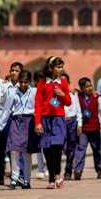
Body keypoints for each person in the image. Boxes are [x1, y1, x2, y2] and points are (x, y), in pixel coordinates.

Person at [0, 70, 36, 189]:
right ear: (18, 81)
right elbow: (7, 110)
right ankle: (14, 178)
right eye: (21, 82)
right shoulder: (13, 93)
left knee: (26, 152)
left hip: (29, 122)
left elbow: (39, 107)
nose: (23, 84)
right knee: (13, 150)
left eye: (26, 82)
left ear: (30, 82)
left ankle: (26, 180)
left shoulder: (34, 92)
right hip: (16, 121)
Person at [35, 56, 71, 189]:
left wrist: (62, 94)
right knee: (47, 149)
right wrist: (37, 122)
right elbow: (38, 103)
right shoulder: (42, 82)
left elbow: (68, 102)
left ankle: (57, 173)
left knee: (57, 147)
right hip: (45, 119)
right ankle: (52, 177)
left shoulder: (63, 82)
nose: (61, 69)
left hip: (58, 118)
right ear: (51, 68)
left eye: (62, 67)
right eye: (58, 67)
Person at [77, 77, 101, 179]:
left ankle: (100, 170)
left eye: (90, 85)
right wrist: (79, 125)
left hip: (95, 127)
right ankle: (78, 170)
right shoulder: (78, 97)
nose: (89, 88)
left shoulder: (97, 97)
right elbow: (78, 111)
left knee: (97, 150)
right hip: (84, 129)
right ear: (82, 88)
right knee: (81, 149)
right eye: (86, 86)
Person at [61, 73, 83, 181]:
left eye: (65, 81)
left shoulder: (73, 95)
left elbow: (78, 110)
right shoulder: (55, 95)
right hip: (60, 122)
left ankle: (68, 171)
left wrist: (79, 124)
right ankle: (55, 171)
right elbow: (53, 106)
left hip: (72, 122)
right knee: (62, 146)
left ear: (68, 83)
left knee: (71, 147)